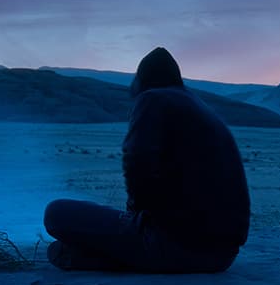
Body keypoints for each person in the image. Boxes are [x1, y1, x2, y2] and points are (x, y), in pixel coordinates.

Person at [43, 47, 250, 273]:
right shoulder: (198, 106)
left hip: (176, 244)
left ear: (143, 78)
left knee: (55, 213)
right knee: (78, 239)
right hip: (221, 256)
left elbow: (137, 161)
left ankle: (98, 255)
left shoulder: (153, 99)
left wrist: (137, 215)